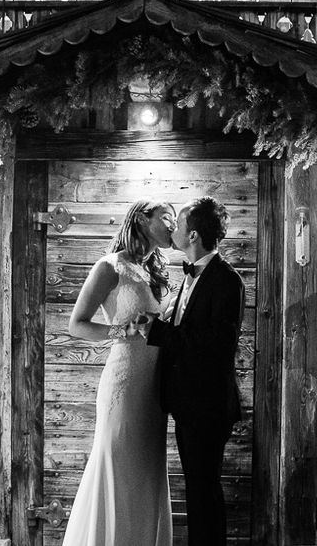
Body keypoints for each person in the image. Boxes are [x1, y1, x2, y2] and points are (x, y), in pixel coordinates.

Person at [62, 200, 176, 546]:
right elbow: (76, 325)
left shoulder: (157, 271)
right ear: (142, 219)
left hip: (155, 387)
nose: (172, 225)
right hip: (125, 383)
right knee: (119, 466)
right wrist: (119, 332)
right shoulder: (110, 267)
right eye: (166, 218)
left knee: (146, 472)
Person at [137, 196, 245, 546]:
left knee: (204, 489)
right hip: (187, 403)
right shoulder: (191, 275)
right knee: (198, 486)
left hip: (208, 405)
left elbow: (216, 345)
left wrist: (158, 331)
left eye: (179, 224)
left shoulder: (227, 281)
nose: (174, 229)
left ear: (194, 234)